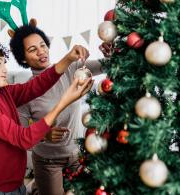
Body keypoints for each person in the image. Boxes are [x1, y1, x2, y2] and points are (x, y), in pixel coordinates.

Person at [0, 40, 93, 195]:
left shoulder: (4, 92)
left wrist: (68, 59)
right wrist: (64, 101)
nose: (5, 69)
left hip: (16, 184)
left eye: (4, 63)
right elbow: (23, 138)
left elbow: (35, 86)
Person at [10, 24, 110, 195]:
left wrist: (110, 51)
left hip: (77, 154)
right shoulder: (24, 93)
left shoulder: (71, 68)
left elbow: (106, 65)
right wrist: (43, 135)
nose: (41, 52)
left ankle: (36, 187)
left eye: (42, 45)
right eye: (33, 49)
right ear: (23, 58)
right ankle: (37, 187)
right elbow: (20, 135)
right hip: (48, 160)